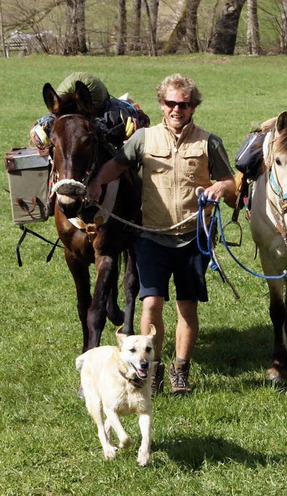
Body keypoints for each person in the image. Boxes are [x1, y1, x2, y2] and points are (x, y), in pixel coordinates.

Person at [87, 74, 237, 394]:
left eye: (184, 104)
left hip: (192, 238)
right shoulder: (143, 138)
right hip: (151, 236)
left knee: (187, 307)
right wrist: (98, 181)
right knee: (151, 302)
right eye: (171, 103)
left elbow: (229, 181)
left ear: (193, 106)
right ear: (161, 104)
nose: (176, 109)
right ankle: (151, 371)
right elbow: (117, 165)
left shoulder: (208, 142)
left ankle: (180, 371)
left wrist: (218, 188)